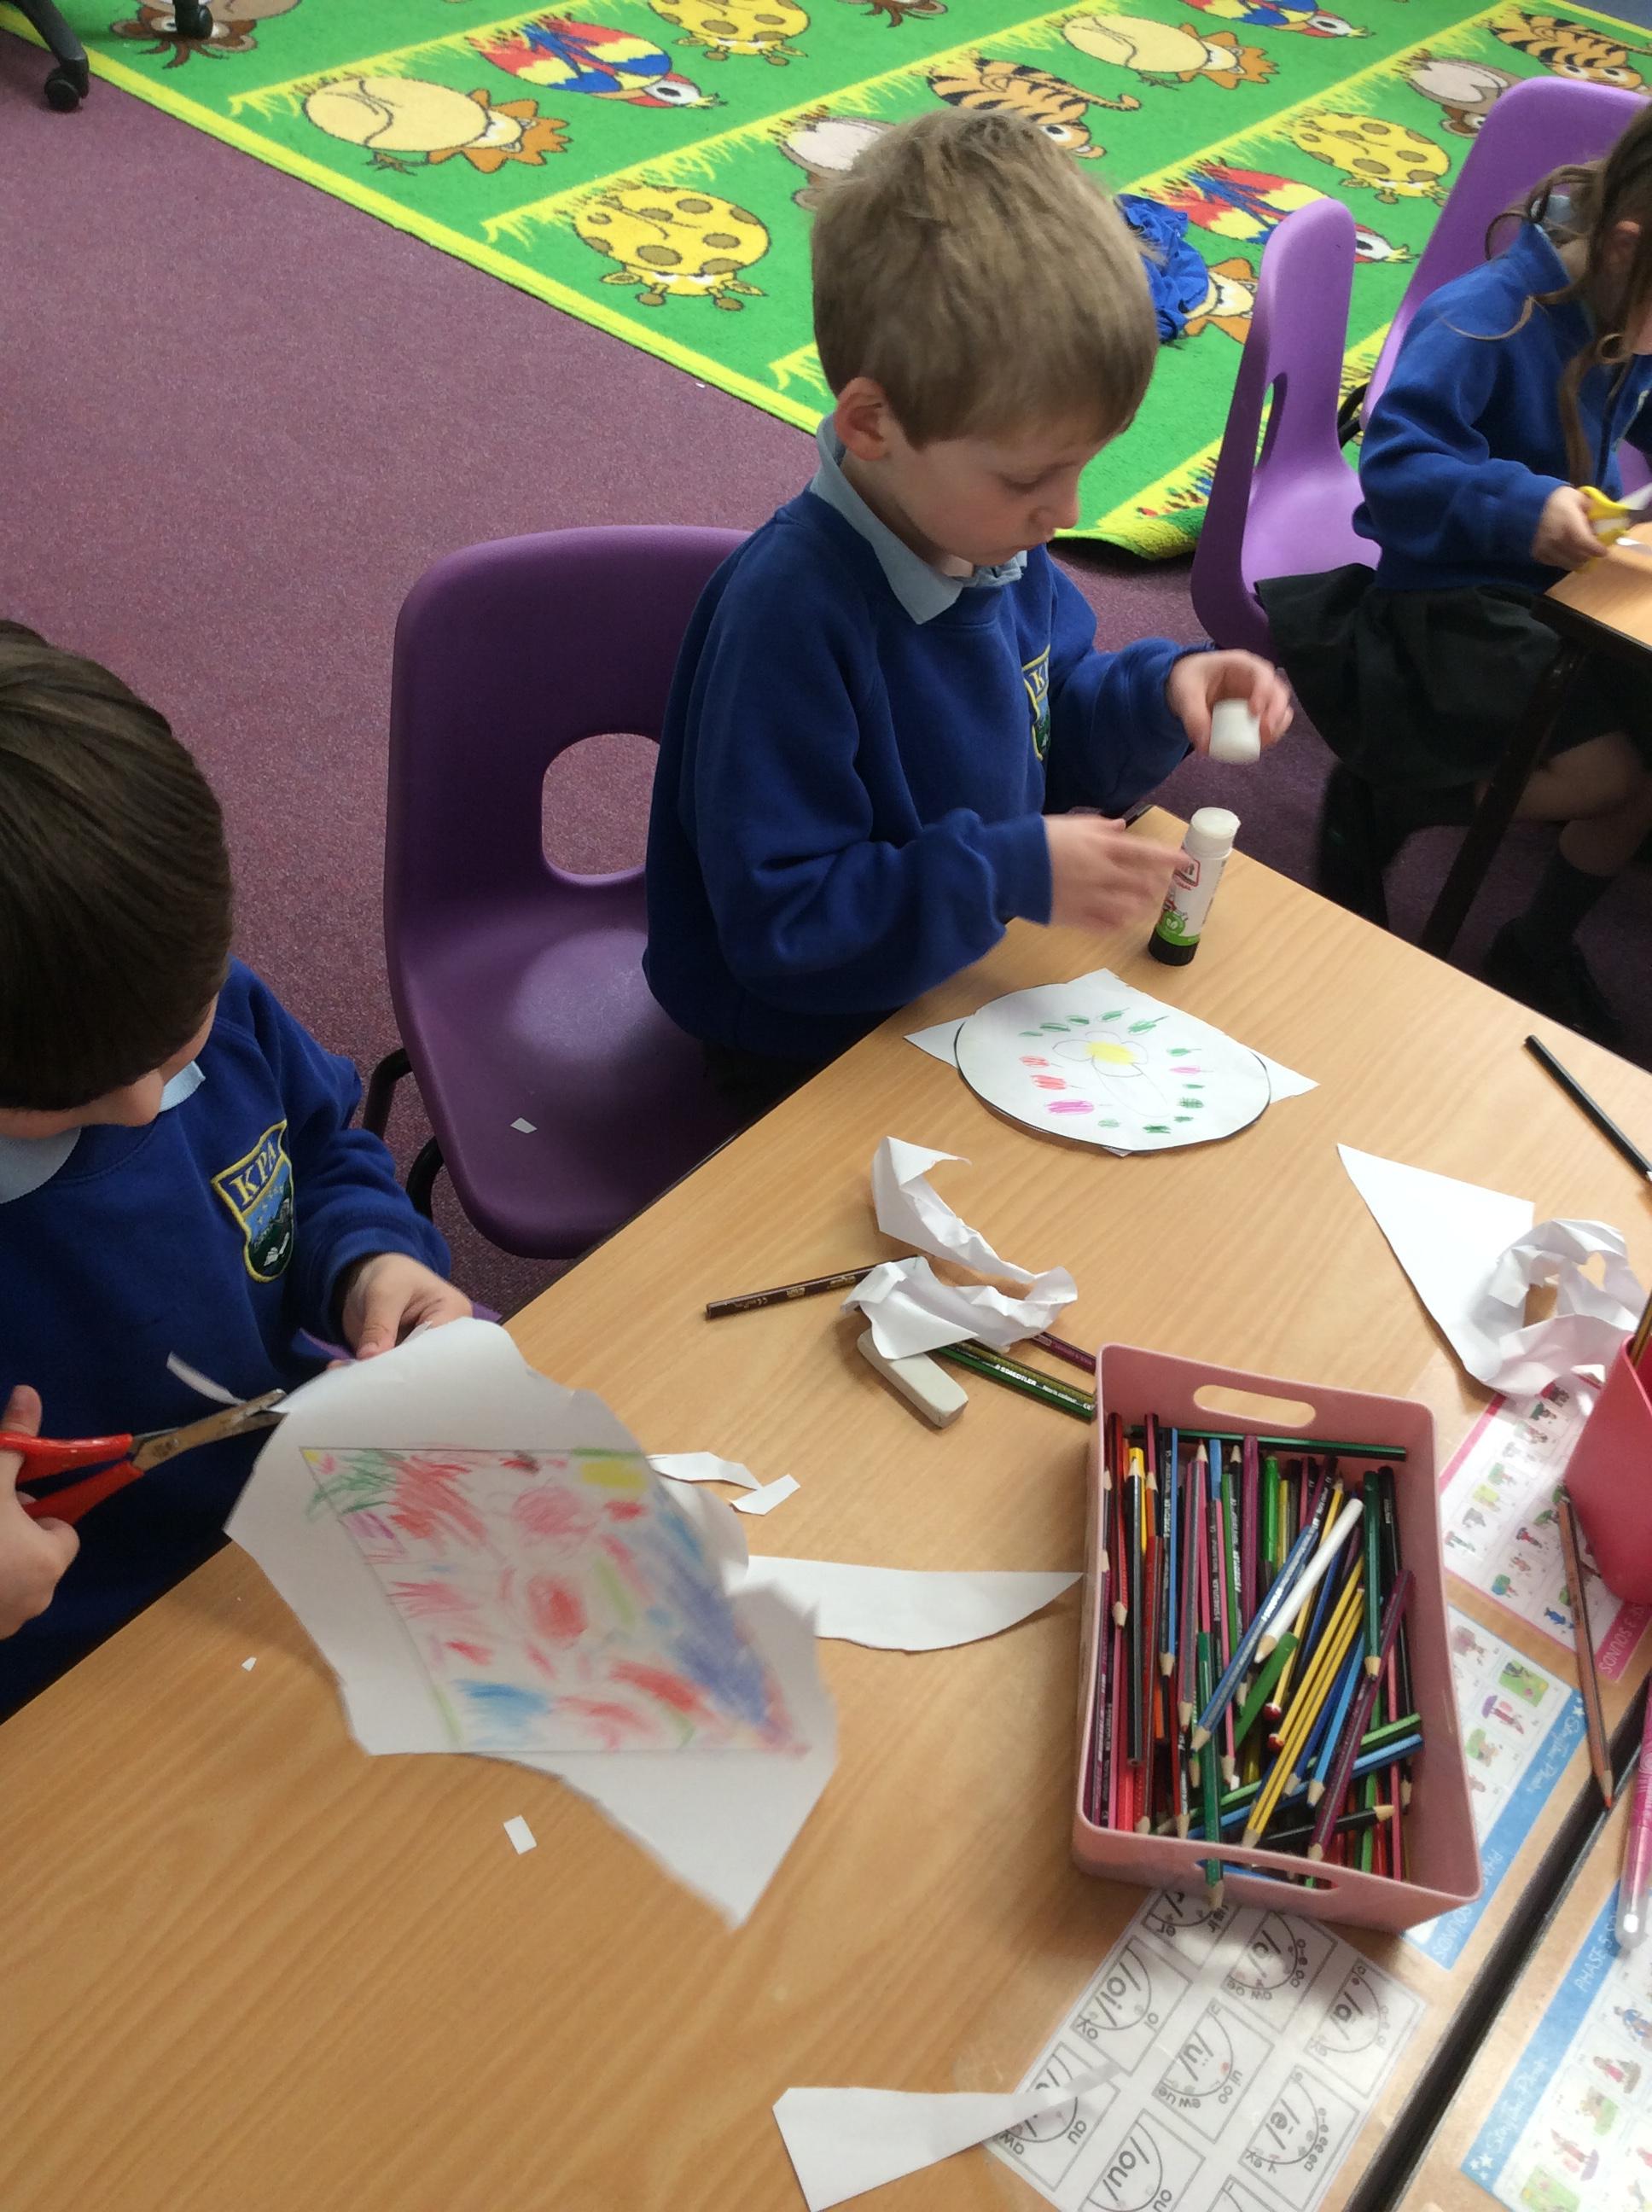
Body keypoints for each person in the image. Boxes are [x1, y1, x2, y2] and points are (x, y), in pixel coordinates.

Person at [644, 108, 1289, 1111]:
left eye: (1082, 466)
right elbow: (783, 928)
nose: (1066, 512)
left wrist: (1163, 692)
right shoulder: (788, 620)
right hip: (802, 1042)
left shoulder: (991, 541)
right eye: (1030, 477)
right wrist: (1000, 872)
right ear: (873, 423)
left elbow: (1045, 728)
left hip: (954, 969)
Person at [0, 621, 470, 1713]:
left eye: (179, 1046)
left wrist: (369, 1261)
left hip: (283, 1544)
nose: (144, 1105)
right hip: (62, 1671)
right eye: (59, 1102)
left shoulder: (183, 996)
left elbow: (324, 1152)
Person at [1262, 106, 1652, 1044]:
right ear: (1624, 247)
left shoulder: (1623, 305)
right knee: (1607, 772)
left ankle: (1537, 943)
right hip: (1442, 601)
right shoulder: (1485, 318)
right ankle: (1388, 798)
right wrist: (1525, 507)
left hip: (1546, 595)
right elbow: (1397, 469)